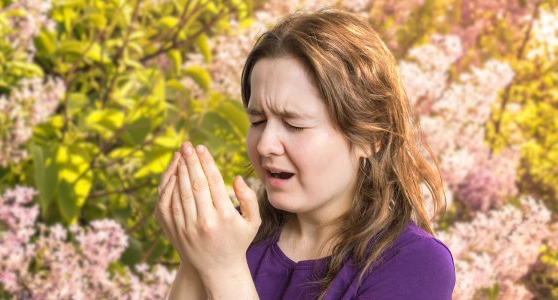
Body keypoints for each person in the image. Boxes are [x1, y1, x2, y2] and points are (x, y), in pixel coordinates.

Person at [154, 8, 455, 300]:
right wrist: (196, 252)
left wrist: (224, 270)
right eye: (257, 121)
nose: (264, 144)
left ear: (371, 137)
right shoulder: (229, 236)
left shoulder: (415, 264)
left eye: (294, 124)